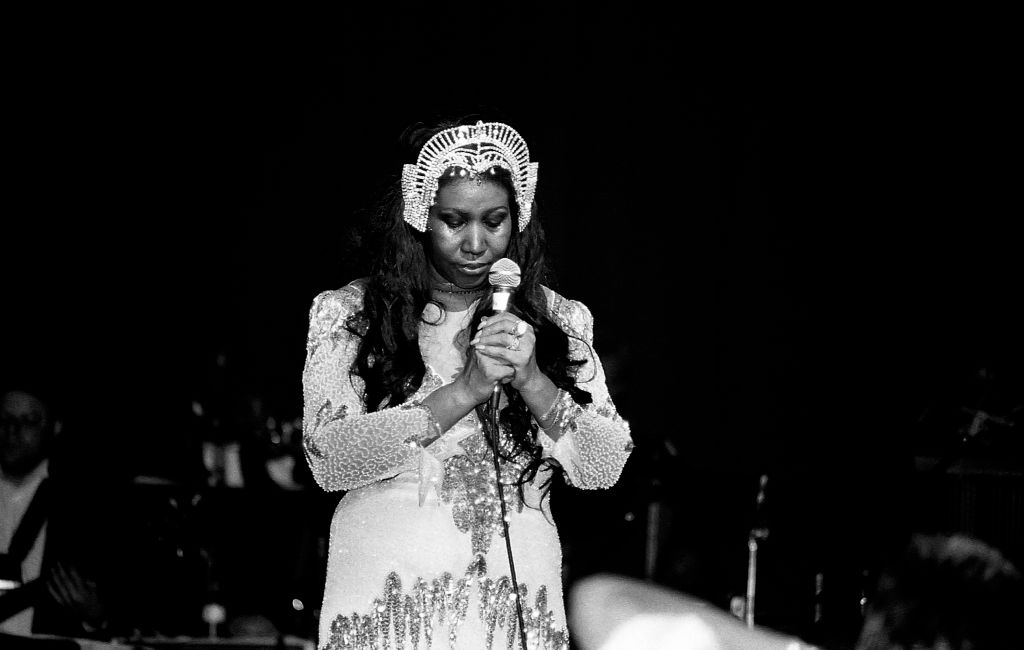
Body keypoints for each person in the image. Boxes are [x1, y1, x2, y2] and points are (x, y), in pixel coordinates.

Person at [301, 116, 633, 649]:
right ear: (419, 216)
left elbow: (604, 465)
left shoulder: (558, 320)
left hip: (513, 592)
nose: (477, 242)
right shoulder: (352, 313)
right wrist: (463, 392)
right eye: (454, 221)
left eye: (495, 221)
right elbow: (330, 459)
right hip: (388, 591)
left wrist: (533, 381)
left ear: (517, 219)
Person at [0, 385, 111, 638]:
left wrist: (96, 615)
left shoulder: (86, 503)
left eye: (29, 421)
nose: (12, 430)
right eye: (4, 419)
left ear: (56, 427)